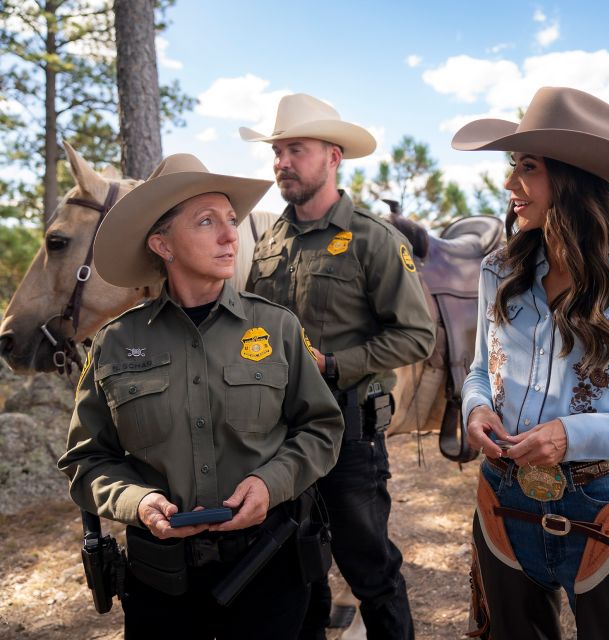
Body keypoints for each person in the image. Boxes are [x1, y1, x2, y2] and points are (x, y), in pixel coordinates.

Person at [58, 153, 345, 639]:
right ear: (162, 244)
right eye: (206, 222)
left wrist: (270, 483)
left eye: (231, 221)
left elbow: (321, 428)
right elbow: (87, 461)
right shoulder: (114, 342)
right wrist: (138, 499)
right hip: (160, 584)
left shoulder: (276, 327)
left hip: (269, 569)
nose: (230, 235)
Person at [453, 86, 609, 639]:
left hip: (602, 509)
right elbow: (478, 371)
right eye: (513, 166)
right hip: (502, 497)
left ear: (572, 177)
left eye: (528, 168)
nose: (511, 184)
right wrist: (475, 411)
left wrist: (574, 435)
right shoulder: (498, 269)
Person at [241, 93, 436, 640]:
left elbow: (416, 336)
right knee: (298, 570)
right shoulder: (270, 240)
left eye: (295, 150)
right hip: (277, 436)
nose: (282, 161)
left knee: (369, 569)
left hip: (349, 435)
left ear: (333, 156)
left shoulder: (375, 239)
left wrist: (333, 364)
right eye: (277, 151)